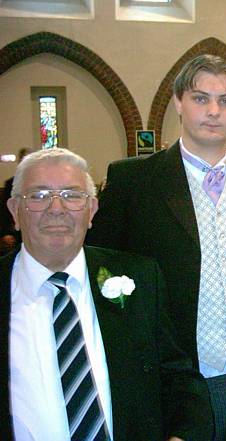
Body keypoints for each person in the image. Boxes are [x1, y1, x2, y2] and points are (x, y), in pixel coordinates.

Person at [86, 54, 226, 441]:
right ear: (179, 102)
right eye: (201, 98)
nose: (214, 111)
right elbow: (99, 275)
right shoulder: (133, 182)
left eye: (225, 101)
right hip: (169, 388)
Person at [1, 148, 212, 441]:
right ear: (15, 211)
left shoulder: (140, 278)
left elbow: (178, 379)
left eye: (72, 195)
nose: (56, 208)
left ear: (92, 211)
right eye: (39, 195)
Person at [1, 148, 31, 254]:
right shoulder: (10, 183)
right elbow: (4, 211)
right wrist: (5, 233)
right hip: (16, 231)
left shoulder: (41, 183)